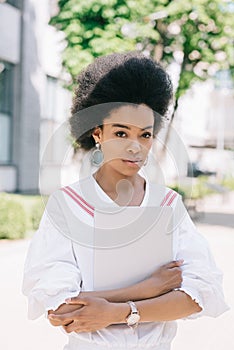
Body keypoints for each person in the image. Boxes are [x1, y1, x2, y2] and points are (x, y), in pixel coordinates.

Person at [22, 52, 228, 350]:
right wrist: (151, 288)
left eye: (145, 135)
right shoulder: (67, 205)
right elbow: (62, 311)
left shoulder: (168, 205)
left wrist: (116, 311)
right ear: (98, 134)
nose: (135, 147)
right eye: (121, 132)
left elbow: (199, 296)